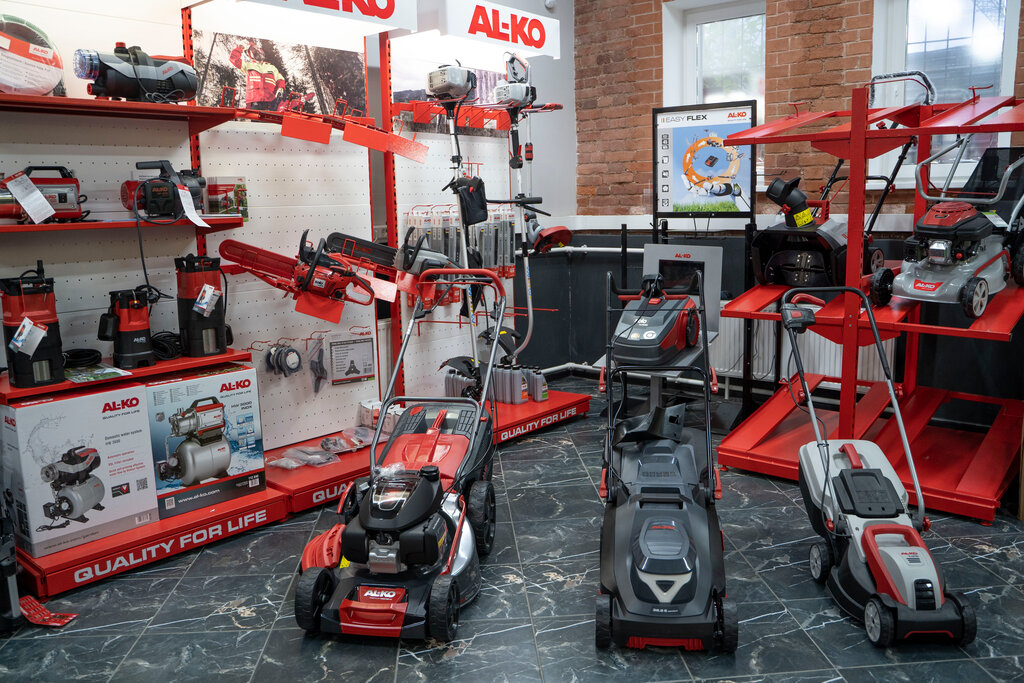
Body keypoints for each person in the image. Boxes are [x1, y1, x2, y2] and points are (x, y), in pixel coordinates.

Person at [228, 40, 285, 111]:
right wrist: (240, 47)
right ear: (250, 55)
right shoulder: (247, 66)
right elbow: (234, 59)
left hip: (270, 102)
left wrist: (280, 89)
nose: (256, 51)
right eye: (253, 50)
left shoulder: (271, 67)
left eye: (257, 48)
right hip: (254, 102)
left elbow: (280, 80)